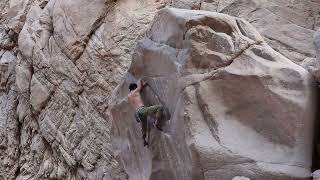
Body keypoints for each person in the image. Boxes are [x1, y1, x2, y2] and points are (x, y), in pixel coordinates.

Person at [128, 79, 163, 147]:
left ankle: (144, 140)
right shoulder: (135, 91)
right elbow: (141, 86)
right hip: (142, 110)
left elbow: (140, 89)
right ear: (135, 87)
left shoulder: (129, 96)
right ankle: (156, 123)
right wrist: (141, 78)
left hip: (137, 113)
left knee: (144, 126)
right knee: (160, 107)